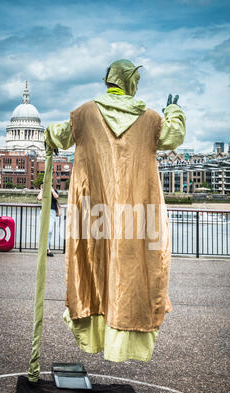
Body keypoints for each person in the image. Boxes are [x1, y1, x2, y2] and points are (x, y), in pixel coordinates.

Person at [44, 59, 186, 362]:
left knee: (93, 266)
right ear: (131, 83)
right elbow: (174, 137)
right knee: (134, 273)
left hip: (93, 213)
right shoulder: (150, 118)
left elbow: (58, 135)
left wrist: (48, 136)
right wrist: (173, 111)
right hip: (138, 215)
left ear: (108, 80)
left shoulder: (84, 113)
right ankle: (125, 338)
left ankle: (94, 329)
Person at [37, 183, 58, 257]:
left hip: (52, 212)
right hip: (43, 211)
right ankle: (47, 249)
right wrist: (42, 190)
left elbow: (56, 196)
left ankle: (45, 248)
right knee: (43, 230)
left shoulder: (53, 191)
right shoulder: (44, 192)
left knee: (49, 231)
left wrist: (52, 190)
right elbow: (39, 198)